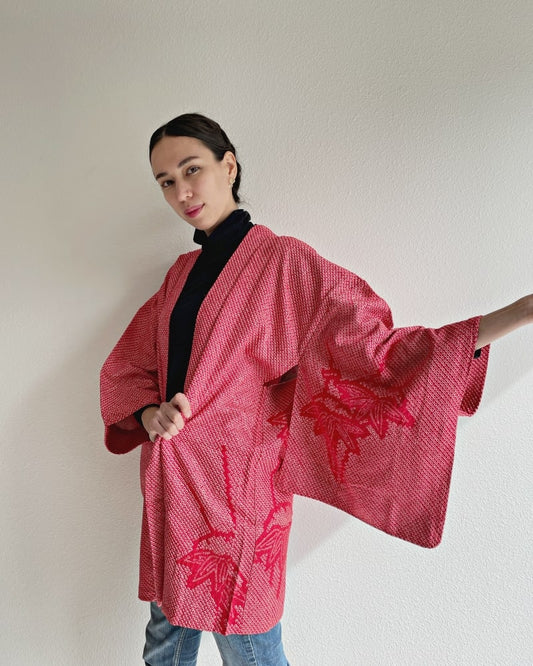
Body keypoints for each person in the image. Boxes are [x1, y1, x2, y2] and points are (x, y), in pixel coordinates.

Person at [100, 113, 532, 666]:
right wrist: (150, 412)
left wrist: (518, 313)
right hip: (172, 488)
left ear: (228, 166)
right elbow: (130, 364)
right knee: (163, 646)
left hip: (238, 499)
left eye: (192, 169)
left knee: (249, 647)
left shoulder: (284, 264)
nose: (181, 190)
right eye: (165, 180)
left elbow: (374, 347)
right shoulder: (180, 274)